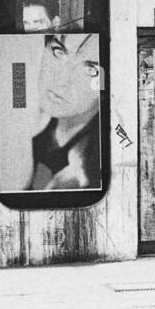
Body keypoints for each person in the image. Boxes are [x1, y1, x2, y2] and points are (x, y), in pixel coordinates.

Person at [28, 33, 100, 191]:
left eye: (90, 69)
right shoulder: (35, 133)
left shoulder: (97, 161)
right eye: (58, 52)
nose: (60, 81)